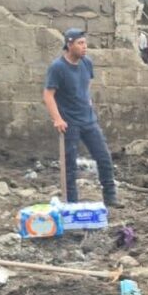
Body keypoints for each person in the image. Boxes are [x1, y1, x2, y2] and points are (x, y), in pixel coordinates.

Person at [42, 29, 119, 207]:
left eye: (85, 43)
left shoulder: (87, 63)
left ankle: (110, 196)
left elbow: (86, 84)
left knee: (104, 157)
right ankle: (71, 202)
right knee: (69, 165)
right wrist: (57, 119)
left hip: (88, 120)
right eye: (80, 43)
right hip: (69, 123)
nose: (85, 47)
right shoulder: (57, 68)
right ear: (69, 45)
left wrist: (88, 100)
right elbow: (48, 95)